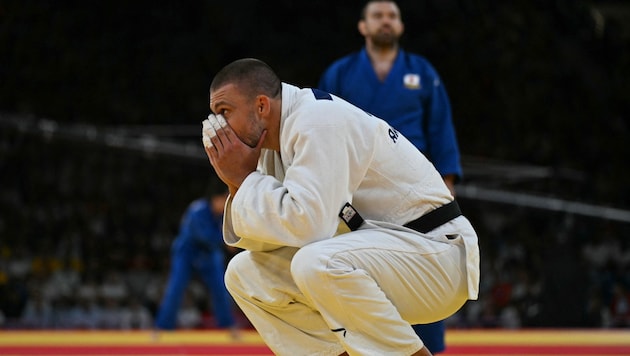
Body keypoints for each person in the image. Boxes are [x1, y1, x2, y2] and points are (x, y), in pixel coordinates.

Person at [203, 58, 479, 356]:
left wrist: (245, 178)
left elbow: (310, 227)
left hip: (436, 256)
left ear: (261, 106)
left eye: (224, 113)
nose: (219, 127)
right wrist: (238, 183)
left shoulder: (317, 119)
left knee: (315, 261)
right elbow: (263, 243)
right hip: (388, 261)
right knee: (244, 274)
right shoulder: (273, 147)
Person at [318, 1, 462, 352]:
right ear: (363, 26)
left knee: (420, 270)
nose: (386, 21)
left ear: (400, 26)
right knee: (357, 273)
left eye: (392, 16)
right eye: (378, 16)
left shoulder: (422, 72)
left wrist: (446, 190)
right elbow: (319, 126)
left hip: (416, 189)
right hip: (356, 189)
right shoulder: (340, 73)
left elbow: (441, 129)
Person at [154, 181, 239, 338]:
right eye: (225, 197)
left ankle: (229, 326)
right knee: (176, 288)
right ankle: (162, 327)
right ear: (216, 198)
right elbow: (203, 235)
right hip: (187, 252)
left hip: (209, 253)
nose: (227, 201)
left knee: (221, 288)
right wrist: (226, 241)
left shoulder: (223, 214)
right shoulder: (197, 210)